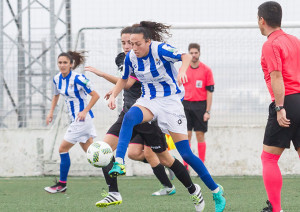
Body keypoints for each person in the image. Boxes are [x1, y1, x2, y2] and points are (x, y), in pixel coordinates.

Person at [108, 21, 226, 212]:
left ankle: (215, 190)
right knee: (129, 117)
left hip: (170, 103)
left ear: (148, 41)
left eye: (138, 44)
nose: (134, 48)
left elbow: (185, 56)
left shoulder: (160, 50)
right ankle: (119, 162)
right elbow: (124, 79)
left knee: (186, 153)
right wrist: (113, 95)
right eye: (131, 43)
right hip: (149, 100)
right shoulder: (131, 58)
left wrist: (182, 70)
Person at [84, 27, 176, 208]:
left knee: (153, 155)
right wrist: (114, 92)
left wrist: (102, 74)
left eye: (131, 43)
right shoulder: (123, 59)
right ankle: (113, 193)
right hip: (128, 113)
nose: (127, 46)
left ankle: (169, 183)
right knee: (112, 149)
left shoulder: (143, 58)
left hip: (147, 112)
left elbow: (129, 83)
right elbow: (123, 80)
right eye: (124, 43)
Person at [258, 2, 300, 212]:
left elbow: (276, 76)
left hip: (287, 101)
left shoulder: (270, 44)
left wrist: (279, 107)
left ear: (262, 20)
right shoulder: (295, 41)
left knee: (269, 158)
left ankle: (276, 209)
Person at [44, 51, 100, 193]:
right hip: (75, 120)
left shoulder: (79, 78)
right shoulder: (57, 79)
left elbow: (95, 95)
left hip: (81, 120)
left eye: (65, 63)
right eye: (60, 63)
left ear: (71, 64)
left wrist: (85, 110)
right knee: (93, 155)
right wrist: (51, 113)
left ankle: (62, 185)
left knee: (62, 149)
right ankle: (114, 168)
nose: (62, 65)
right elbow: (56, 95)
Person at [182, 43, 214, 171]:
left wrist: (207, 111)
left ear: (199, 53)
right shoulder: (183, 69)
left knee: (200, 135)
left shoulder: (206, 70)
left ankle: (201, 166)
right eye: (191, 53)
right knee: (186, 135)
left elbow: (210, 92)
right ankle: (186, 165)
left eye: (196, 53)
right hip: (185, 105)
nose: (194, 55)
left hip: (200, 105)